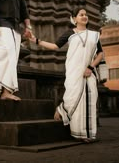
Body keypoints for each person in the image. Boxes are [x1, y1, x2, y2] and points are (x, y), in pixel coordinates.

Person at [30, 7, 103, 143]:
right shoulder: (69, 34)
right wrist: (36, 41)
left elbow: (100, 54)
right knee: (72, 96)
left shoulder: (94, 35)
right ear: (74, 18)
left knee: (89, 101)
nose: (84, 16)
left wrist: (90, 67)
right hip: (74, 72)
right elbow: (55, 46)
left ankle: (87, 134)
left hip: (89, 72)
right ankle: (63, 111)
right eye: (81, 15)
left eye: (86, 15)